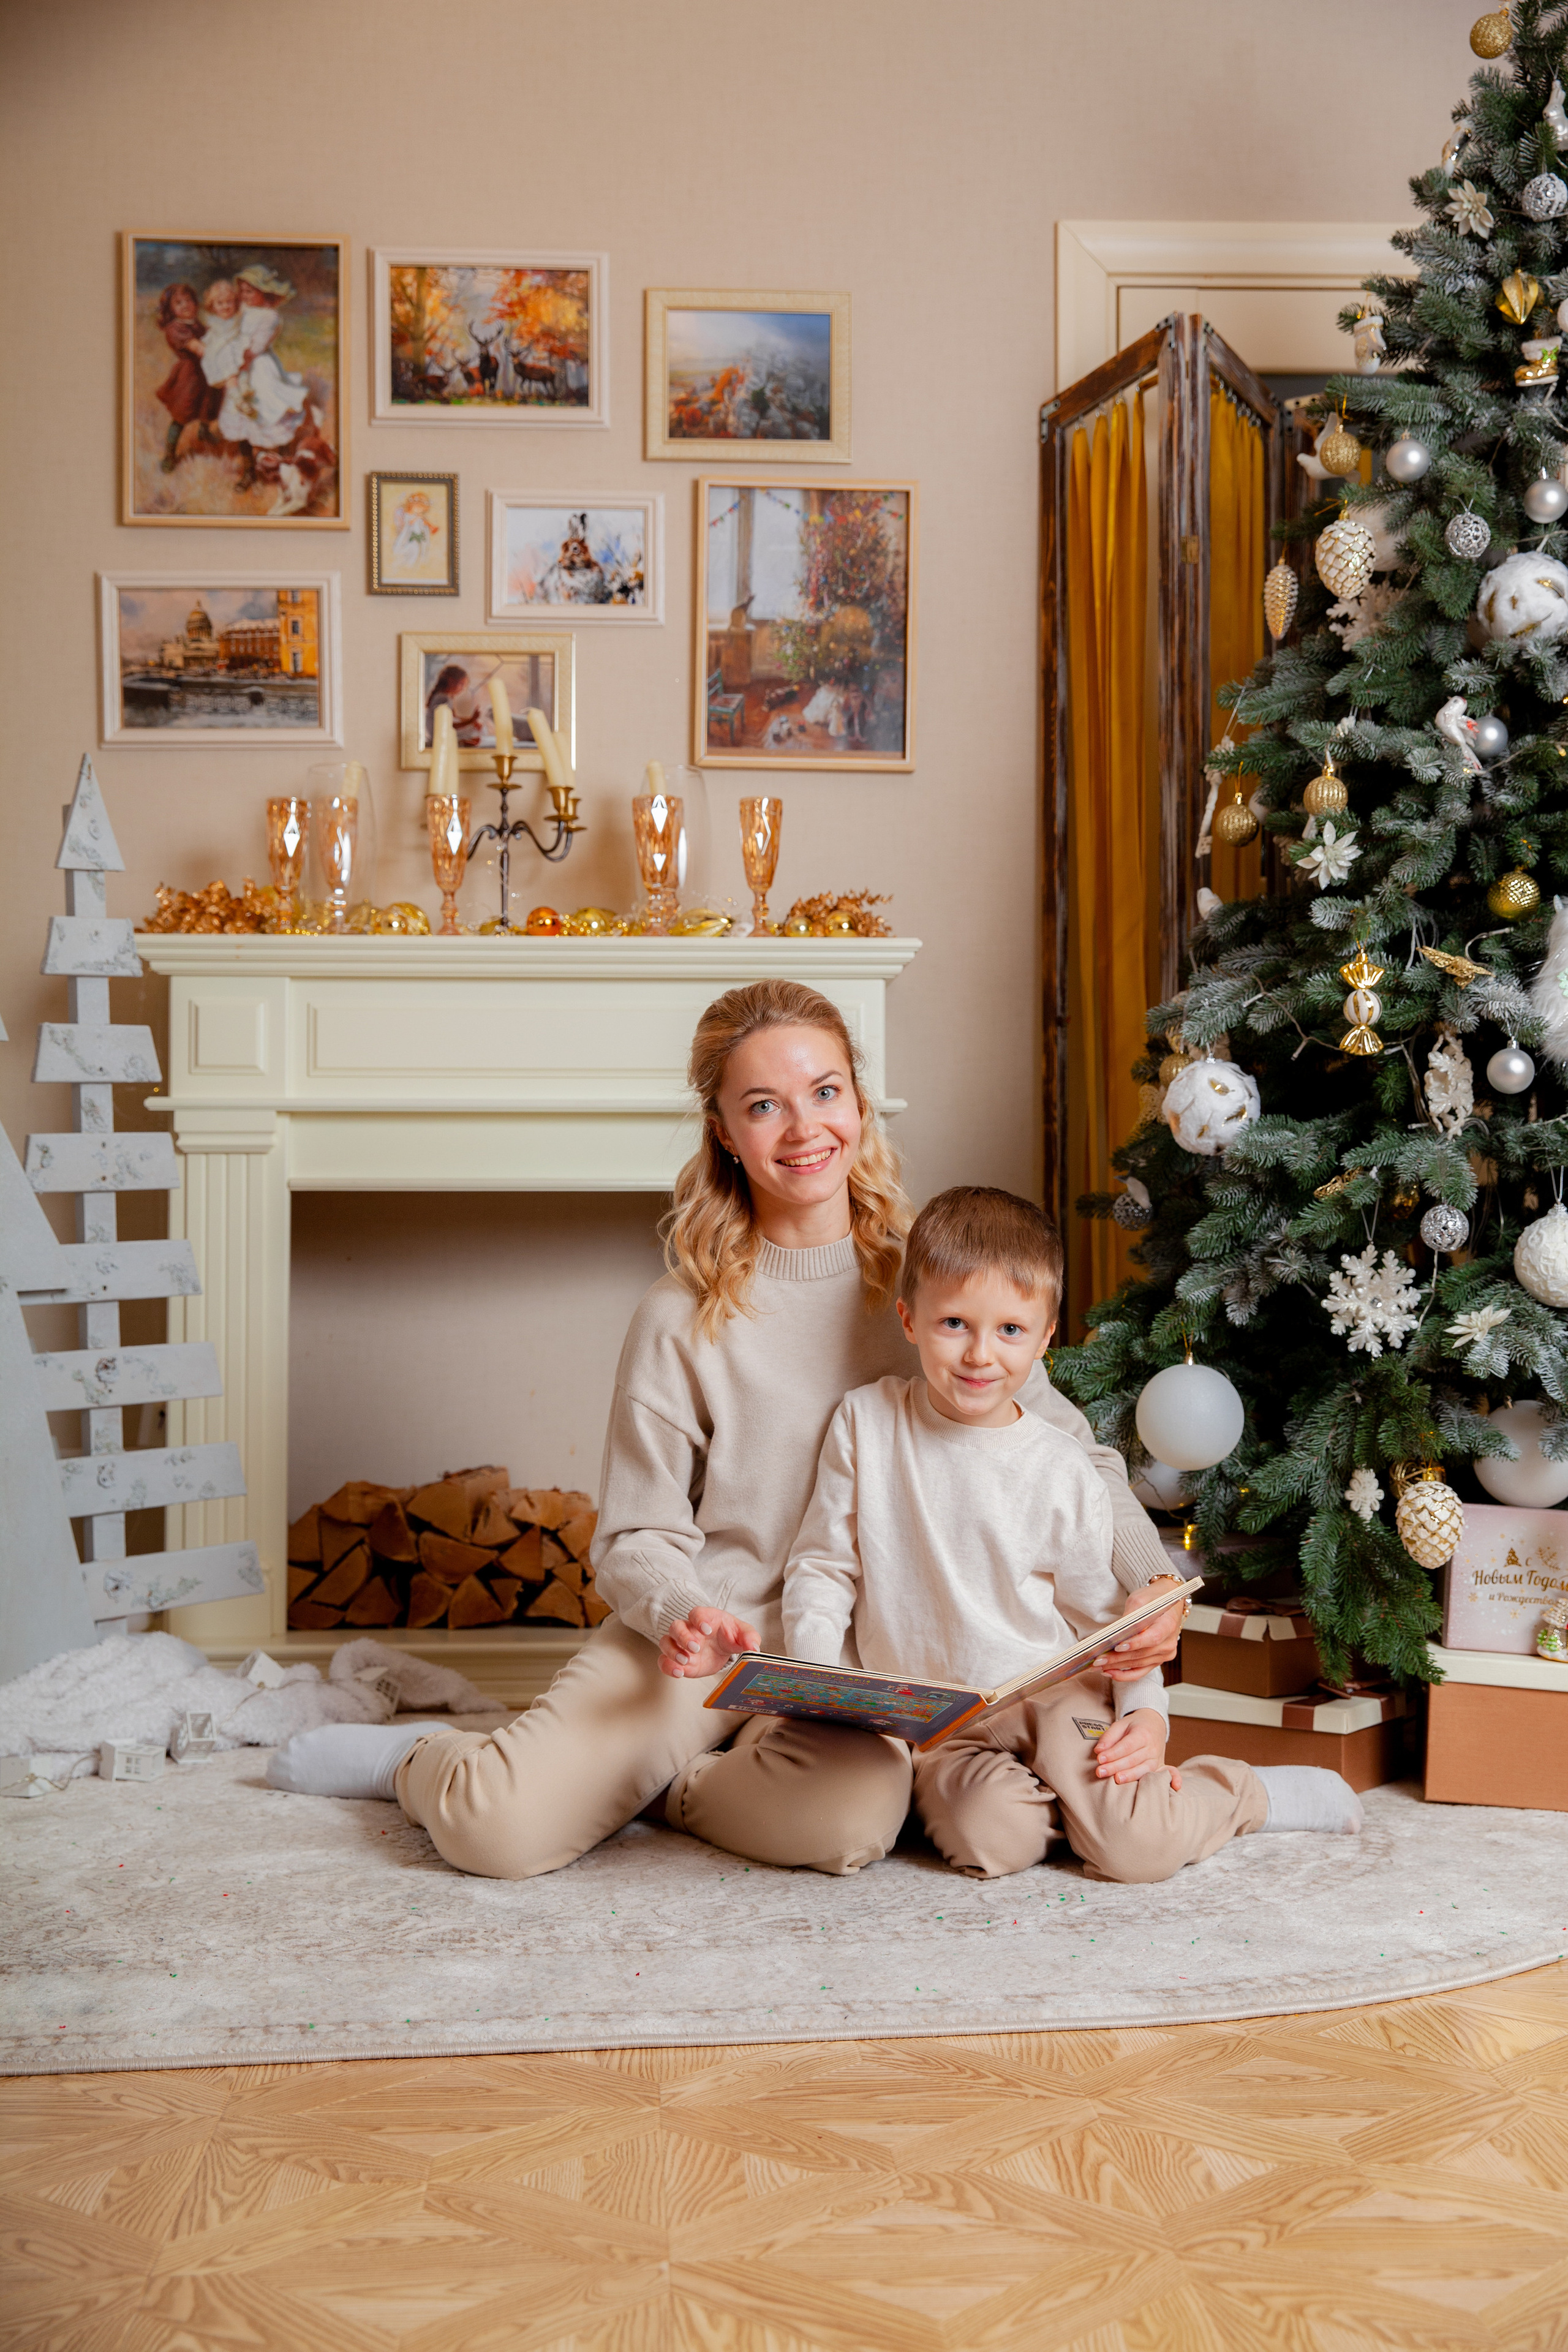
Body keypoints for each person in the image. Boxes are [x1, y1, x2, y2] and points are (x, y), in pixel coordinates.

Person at [268, 981, 1191, 1875]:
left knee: (853, 1824)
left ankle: (673, 1791)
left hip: (849, 1663)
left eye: (825, 1093)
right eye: (763, 1105)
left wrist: (1146, 1575)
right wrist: (680, 1611)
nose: (803, 1130)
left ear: (860, 1104)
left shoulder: (934, 1285)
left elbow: (1078, 1453)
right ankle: (417, 1760)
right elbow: (634, 1539)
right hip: (714, 1644)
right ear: (723, 1129)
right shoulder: (681, 1315)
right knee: (498, 1834)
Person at [775, 1186, 1363, 1882]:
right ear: (909, 1318)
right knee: (991, 1842)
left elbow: (1109, 1628)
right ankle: (1083, 1807)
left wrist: (1146, 1717)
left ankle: (1239, 1795)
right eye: (954, 1324)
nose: (979, 1356)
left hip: (1056, 1696)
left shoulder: (1059, 1464)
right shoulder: (865, 1424)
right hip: (945, 1724)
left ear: (1046, 1338)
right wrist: (827, 1691)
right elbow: (821, 1571)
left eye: (1010, 1331)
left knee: (1135, 1852)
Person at [151, 283, 220, 472]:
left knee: (208, 404)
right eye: (178, 303)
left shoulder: (196, 323)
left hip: (206, 374)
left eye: (188, 300)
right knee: (182, 414)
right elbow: (200, 349)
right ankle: (170, 454)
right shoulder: (176, 329)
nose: (185, 305)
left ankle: (204, 431)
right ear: (171, 310)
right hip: (189, 377)